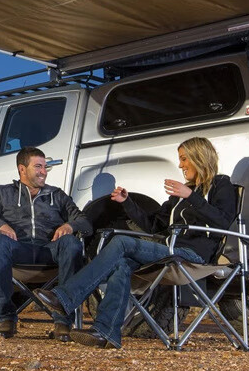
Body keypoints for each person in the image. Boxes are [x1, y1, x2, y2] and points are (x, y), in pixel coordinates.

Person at [36, 136, 238, 349]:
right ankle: (105, 332)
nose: (180, 165)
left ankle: (66, 298)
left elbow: (223, 221)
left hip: (194, 255)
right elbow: (153, 226)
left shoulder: (220, 184)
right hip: (170, 251)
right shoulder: (179, 195)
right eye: (180, 159)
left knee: (122, 243)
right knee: (121, 265)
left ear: (199, 157)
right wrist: (128, 202)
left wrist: (191, 196)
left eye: (184, 159)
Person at [0, 146, 92, 338]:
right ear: (22, 169)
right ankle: (7, 317)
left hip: (50, 250)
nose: (44, 171)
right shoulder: (3, 193)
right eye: (38, 166)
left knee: (71, 243)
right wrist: (0, 224)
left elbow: (84, 221)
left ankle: (63, 321)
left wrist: (70, 226)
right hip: (19, 250)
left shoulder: (57, 195)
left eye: (45, 167)